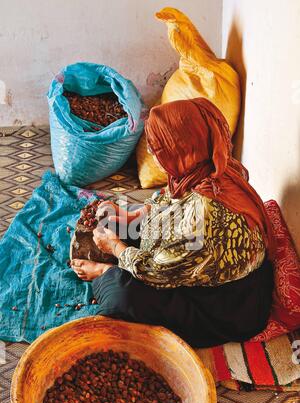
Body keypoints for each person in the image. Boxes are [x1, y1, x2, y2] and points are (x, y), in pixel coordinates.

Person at [71, 98, 275, 348]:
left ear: (181, 149)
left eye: (157, 148)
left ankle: (104, 273)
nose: (150, 153)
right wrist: (129, 216)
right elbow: (169, 203)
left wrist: (114, 247)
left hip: (226, 308)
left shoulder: (200, 219)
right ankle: (119, 251)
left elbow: (155, 272)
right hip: (202, 261)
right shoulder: (212, 166)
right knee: (125, 224)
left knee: (123, 298)